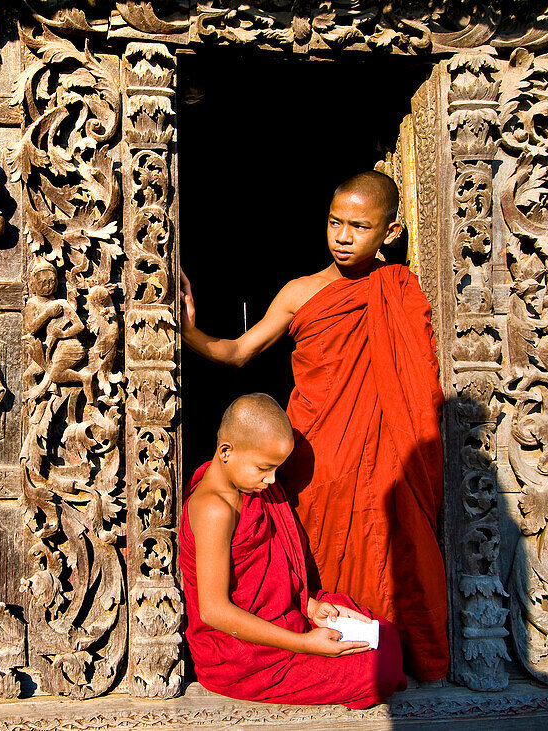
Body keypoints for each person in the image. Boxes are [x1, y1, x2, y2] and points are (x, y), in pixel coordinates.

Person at [181, 171, 449, 682]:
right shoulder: (300, 293)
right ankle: (316, 644)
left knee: (394, 539)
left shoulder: (401, 289)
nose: (343, 237)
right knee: (315, 547)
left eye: (359, 227)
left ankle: (382, 642)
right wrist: (186, 331)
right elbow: (239, 352)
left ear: (389, 233)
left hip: (385, 447)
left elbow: (412, 381)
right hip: (314, 450)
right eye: (334, 223)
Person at [181, 393, 406, 707]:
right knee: (377, 671)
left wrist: (311, 606)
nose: (272, 480)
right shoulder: (213, 509)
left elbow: (271, 573)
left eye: (276, 469)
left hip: (285, 618)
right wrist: (305, 644)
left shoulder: (253, 488)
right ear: (226, 452)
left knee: (382, 633)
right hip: (241, 656)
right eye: (263, 468)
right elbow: (214, 611)